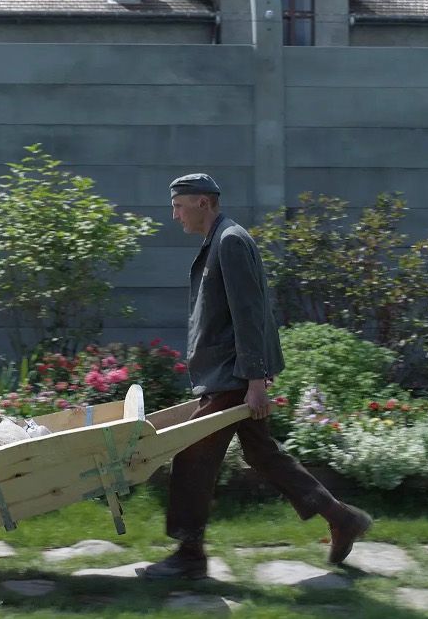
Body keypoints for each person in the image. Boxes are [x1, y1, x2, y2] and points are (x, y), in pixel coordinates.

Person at [143, 172, 373, 580]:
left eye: (179, 205)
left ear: (203, 202)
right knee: (262, 453)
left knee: (191, 456)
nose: (174, 215)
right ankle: (341, 518)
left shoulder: (230, 242)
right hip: (229, 373)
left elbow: (250, 315)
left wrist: (253, 381)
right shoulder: (220, 240)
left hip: (232, 376)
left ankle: (189, 555)